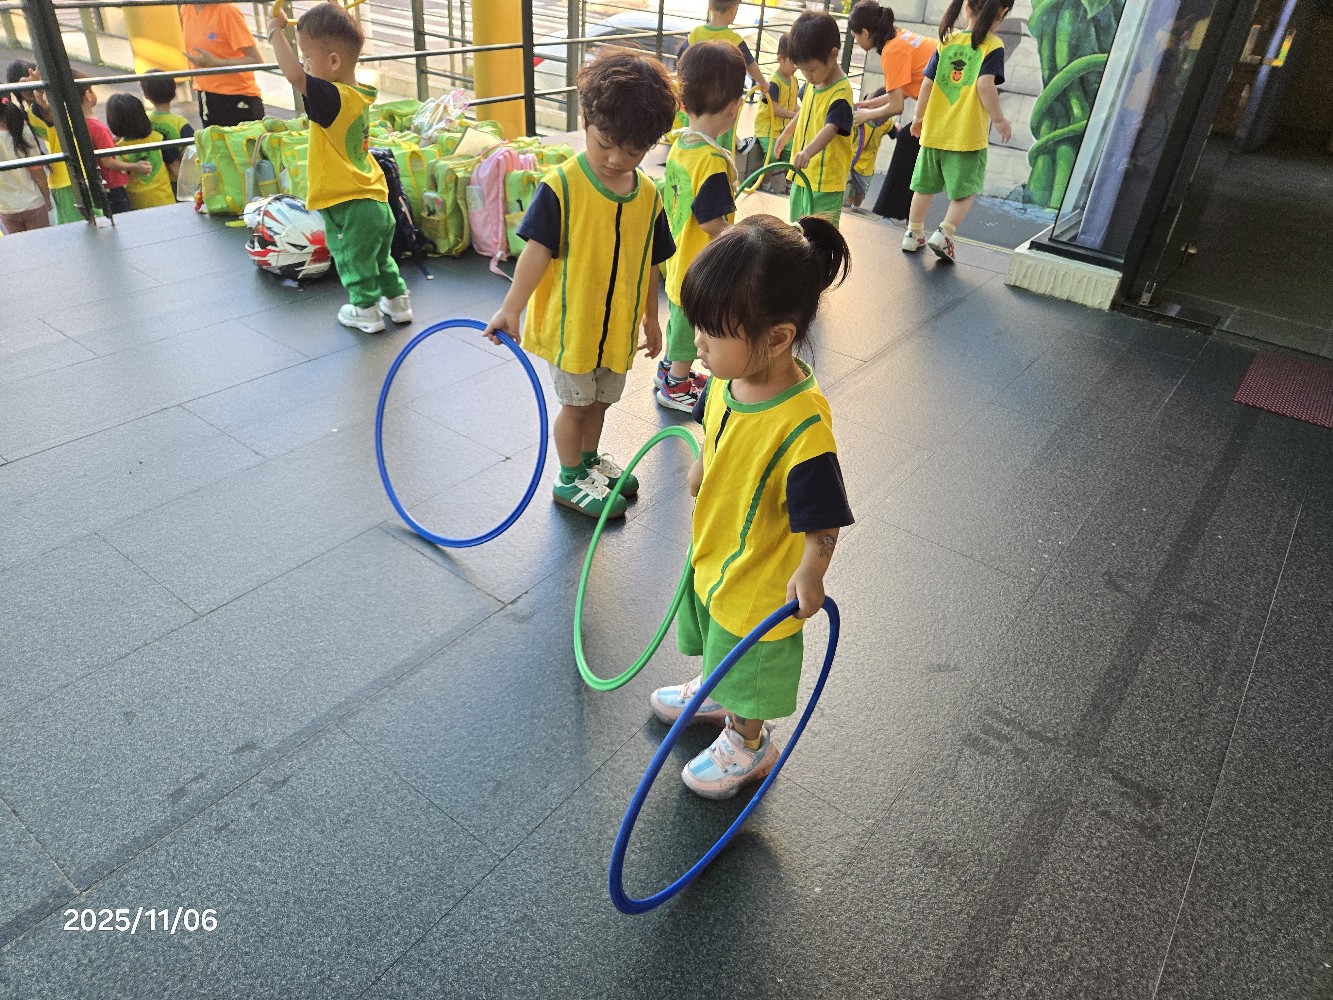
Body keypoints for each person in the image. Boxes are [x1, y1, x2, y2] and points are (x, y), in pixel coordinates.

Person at [649, 214, 854, 799]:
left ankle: (749, 741)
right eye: (697, 326)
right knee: (716, 630)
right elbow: (712, 431)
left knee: (748, 654)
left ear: (777, 338)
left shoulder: (803, 426)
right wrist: (701, 466)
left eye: (712, 333)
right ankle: (720, 690)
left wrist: (811, 570)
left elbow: (824, 517)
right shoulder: (725, 379)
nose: (697, 344)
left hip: (761, 576)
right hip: (716, 548)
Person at [482, 50, 678, 521]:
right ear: (586, 117)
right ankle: (569, 477)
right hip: (574, 329)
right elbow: (536, 251)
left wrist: (652, 318)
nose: (616, 159)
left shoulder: (648, 196)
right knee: (576, 407)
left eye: (633, 152)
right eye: (605, 143)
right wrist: (512, 307)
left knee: (602, 402)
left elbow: (652, 261)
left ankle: (589, 462)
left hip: (616, 330)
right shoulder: (563, 187)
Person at [268, 1, 410, 334]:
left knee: (352, 258)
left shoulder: (330, 98)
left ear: (333, 62)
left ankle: (365, 310)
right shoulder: (357, 94)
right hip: (375, 196)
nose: (304, 63)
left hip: (349, 202)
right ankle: (398, 301)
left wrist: (276, 33)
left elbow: (294, 76)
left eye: (307, 56)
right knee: (380, 257)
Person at [656, 41, 745, 413]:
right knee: (687, 328)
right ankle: (676, 384)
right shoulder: (710, 161)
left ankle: (668, 370)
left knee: (677, 317)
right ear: (735, 106)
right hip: (698, 265)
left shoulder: (682, 144)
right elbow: (709, 220)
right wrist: (737, 236)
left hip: (678, 256)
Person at [903, 0, 1013, 262]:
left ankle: (913, 233)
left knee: (924, 187)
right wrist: (999, 120)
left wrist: (918, 117)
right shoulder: (992, 45)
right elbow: (985, 85)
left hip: (934, 132)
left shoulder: (947, 41)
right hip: (967, 136)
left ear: (966, 8)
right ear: (1002, 12)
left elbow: (927, 84)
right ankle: (944, 233)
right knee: (965, 191)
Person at [848, 0, 938, 221]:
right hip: (941, 102)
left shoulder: (891, 51)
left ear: (865, 33)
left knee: (909, 140)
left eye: (855, 36)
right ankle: (901, 215)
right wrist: (867, 105)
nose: (856, 41)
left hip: (943, 106)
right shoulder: (899, 38)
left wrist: (865, 116)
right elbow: (901, 92)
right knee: (910, 143)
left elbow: (897, 106)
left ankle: (890, 214)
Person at [775, 11, 854, 227]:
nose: (807, 76)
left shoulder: (841, 92)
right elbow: (805, 110)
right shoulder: (813, 82)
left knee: (821, 233)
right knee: (797, 229)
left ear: (833, 55)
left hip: (824, 181)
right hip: (802, 174)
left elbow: (832, 127)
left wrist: (808, 151)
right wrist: (787, 132)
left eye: (811, 69)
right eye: (802, 70)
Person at [677, 0, 768, 152]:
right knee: (724, 129)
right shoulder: (734, 39)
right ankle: (727, 152)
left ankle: (689, 151)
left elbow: (681, 60)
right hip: (723, 97)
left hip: (697, 94)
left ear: (709, 6)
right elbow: (751, 65)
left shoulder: (696, 34)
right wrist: (763, 83)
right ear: (734, 10)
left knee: (694, 126)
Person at [5, 59, 80, 224]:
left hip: (65, 176)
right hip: (69, 177)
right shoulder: (37, 110)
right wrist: (40, 87)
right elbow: (48, 111)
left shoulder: (30, 113)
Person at [181, 1, 265, 127]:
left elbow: (256, 60)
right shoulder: (186, 8)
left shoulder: (227, 11)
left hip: (238, 97)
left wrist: (216, 63)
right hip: (206, 95)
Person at [77, 77, 152, 216]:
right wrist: (135, 166)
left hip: (101, 184)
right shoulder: (98, 128)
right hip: (113, 185)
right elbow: (107, 161)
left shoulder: (80, 123)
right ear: (88, 96)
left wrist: (110, 141)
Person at [105, 93, 177, 210]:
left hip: (137, 206)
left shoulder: (118, 148)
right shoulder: (158, 138)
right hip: (165, 200)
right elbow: (175, 166)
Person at [0, 93, 50, 233]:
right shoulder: (23, 133)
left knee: (21, 245)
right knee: (42, 243)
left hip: (6, 207)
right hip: (33, 202)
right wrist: (47, 197)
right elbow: (38, 172)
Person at [751, 32, 800, 167]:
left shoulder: (794, 81)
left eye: (798, 62)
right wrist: (796, 116)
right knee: (772, 158)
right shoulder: (773, 83)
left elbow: (794, 104)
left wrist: (802, 112)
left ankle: (789, 180)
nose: (796, 66)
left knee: (793, 155)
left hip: (784, 130)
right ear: (780, 59)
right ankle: (763, 179)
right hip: (768, 131)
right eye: (792, 62)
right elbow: (775, 110)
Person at [141, 70, 195, 186]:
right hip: (177, 179)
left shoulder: (144, 120)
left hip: (155, 177)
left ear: (146, 95)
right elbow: (191, 153)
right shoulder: (180, 123)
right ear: (174, 94)